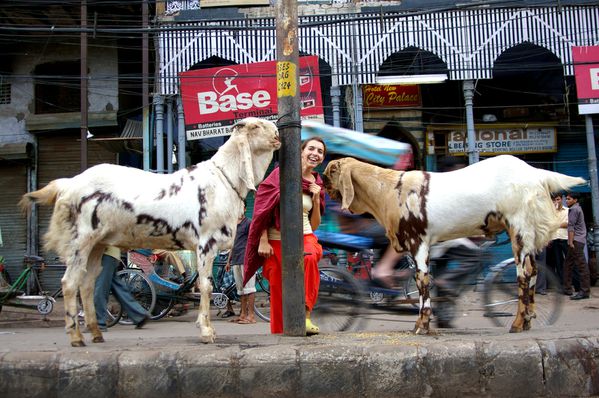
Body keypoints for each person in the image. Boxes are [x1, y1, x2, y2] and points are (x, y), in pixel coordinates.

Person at [244, 137, 326, 335]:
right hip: (274, 241)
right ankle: (281, 337)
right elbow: (262, 209)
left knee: (309, 256)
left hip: (304, 236)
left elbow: (314, 224)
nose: (315, 153)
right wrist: (262, 240)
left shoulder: (317, 183)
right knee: (279, 290)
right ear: (301, 151)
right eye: (311, 149)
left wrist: (315, 198)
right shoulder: (281, 175)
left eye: (320, 151)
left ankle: (305, 315)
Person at [92, 246, 150, 331]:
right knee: (118, 287)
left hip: (106, 252)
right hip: (112, 253)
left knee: (100, 289)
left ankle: (99, 322)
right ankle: (139, 315)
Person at [225, 206, 256, 324]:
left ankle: (251, 316)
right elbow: (232, 244)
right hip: (236, 260)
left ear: (245, 208)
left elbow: (253, 240)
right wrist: (229, 261)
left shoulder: (248, 223)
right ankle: (243, 315)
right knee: (241, 290)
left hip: (246, 259)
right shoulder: (233, 224)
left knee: (250, 288)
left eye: (241, 206)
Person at [563, 191, 591, 300]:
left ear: (575, 200)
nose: (567, 200)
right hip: (578, 240)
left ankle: (584, 291)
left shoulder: (574, 209)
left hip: (576, 241)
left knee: (581, 266)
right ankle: (567, 289)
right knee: (568, 264)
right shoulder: (577, 208)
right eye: (567, 198)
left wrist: (570, 242)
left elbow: (571, 227)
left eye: (569, 199)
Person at [548, 192, 568, 285]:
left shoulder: (567, 210)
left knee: (570, 262)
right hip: (555, 239)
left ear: (561, 200)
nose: (556, 202)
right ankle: (562, 284)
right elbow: (549, 225)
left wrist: (555, 224)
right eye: (553, 200)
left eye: (557, 199)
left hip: (566, 239)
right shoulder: (550, 212)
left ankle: (575, 284)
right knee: (558, 263)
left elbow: (568, 224)